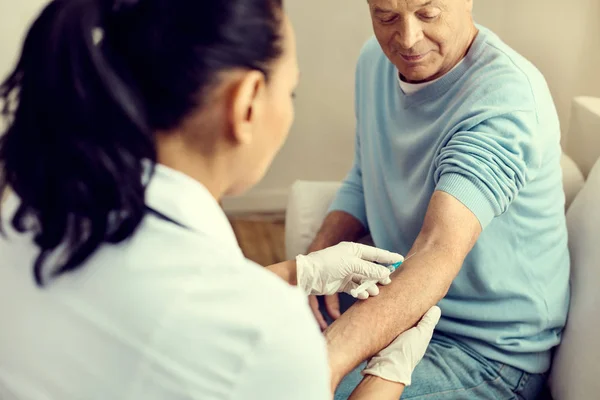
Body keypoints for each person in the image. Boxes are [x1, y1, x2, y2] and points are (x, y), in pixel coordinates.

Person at [0, 0, 443, 399]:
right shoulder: (262, 338)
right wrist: (386, 376)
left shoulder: (28, 207)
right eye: (289, 91)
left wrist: (298, 272)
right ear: (246, 103)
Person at [307, 0, 570, 399]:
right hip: (393, 299)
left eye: (428, 14)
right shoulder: (374, 64)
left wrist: (331, 355)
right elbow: (366, 174)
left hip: (484, 351)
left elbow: (437, 249)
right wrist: (318, 256)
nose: (408, 39)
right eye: (387, 17)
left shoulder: (505, 99)